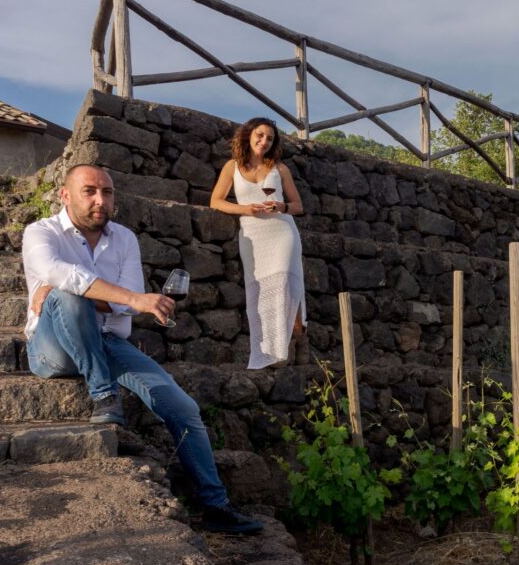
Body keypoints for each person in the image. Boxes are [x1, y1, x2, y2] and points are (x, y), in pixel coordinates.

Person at [22, 164, 263, 535]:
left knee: (184, 408)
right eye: (90, 191)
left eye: (108, 192)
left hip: (107, 342)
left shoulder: (124, 239)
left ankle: (216, 506)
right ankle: (104, 396)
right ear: (65, 195)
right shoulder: (41, 233)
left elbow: (127, 303)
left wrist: (99, 295)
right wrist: (104, 295)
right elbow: (63, 274)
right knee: (68, 297)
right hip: (53, 348)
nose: (101, 200)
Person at [210, 117, 307, 369]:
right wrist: (245, 209)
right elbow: (216, 201)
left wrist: (282, 205)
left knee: (285, 282)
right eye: (260, 135)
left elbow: (298, 206)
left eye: (270, 138)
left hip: (282, 232)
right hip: (253, 234)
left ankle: (291, 341)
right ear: (249, 135)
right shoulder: (232, 167)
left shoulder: (279, 169)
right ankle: (270, 351)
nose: (264, 141)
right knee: (261, 292)